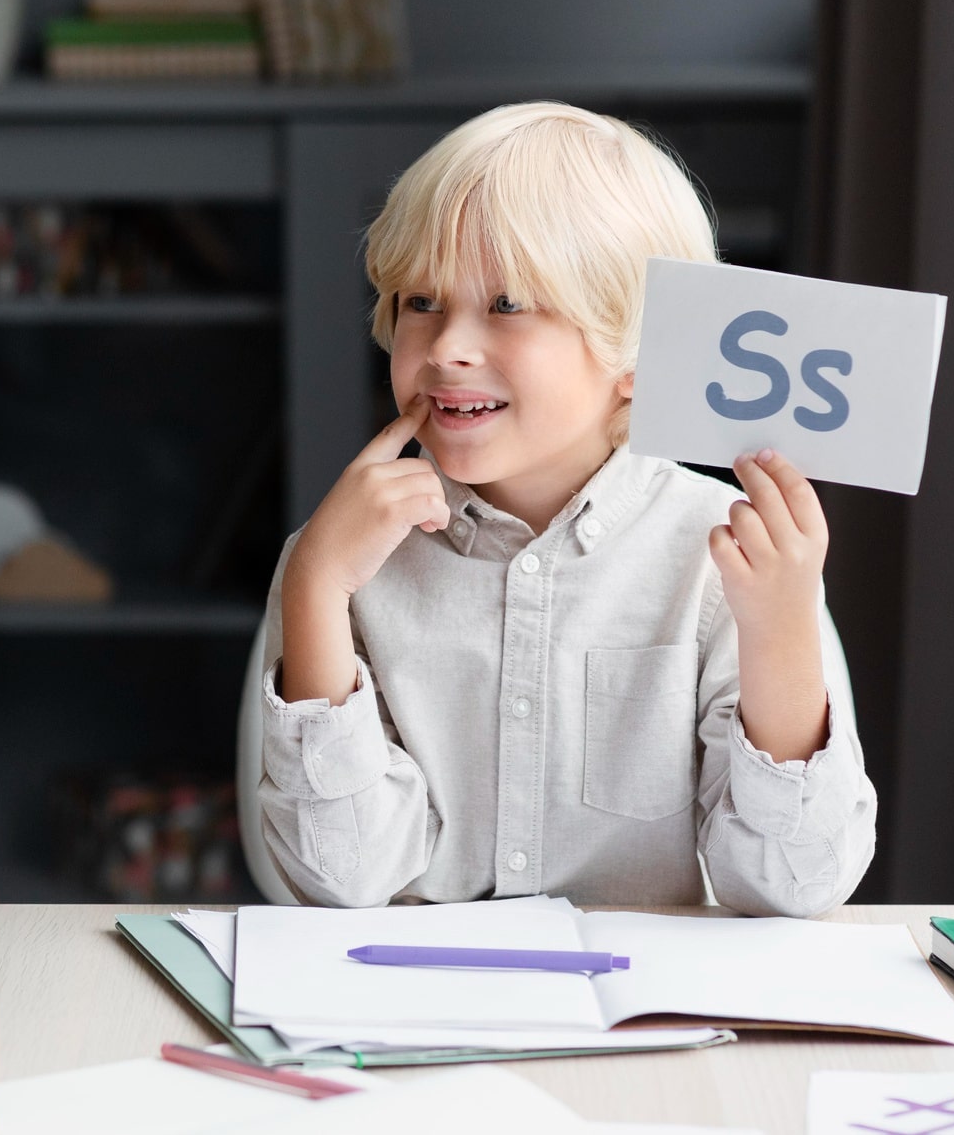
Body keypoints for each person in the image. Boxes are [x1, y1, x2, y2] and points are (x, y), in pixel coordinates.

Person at [257, 101, 877, 916]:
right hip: (414, 1010)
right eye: (420, 301)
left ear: (637, 351)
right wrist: (314, 589)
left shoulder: (725, 555)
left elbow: (794, 885)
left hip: (651, 1016)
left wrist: (783, 627)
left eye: (508, 305)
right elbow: (338, 877)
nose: (445, 348)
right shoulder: (342, 557)